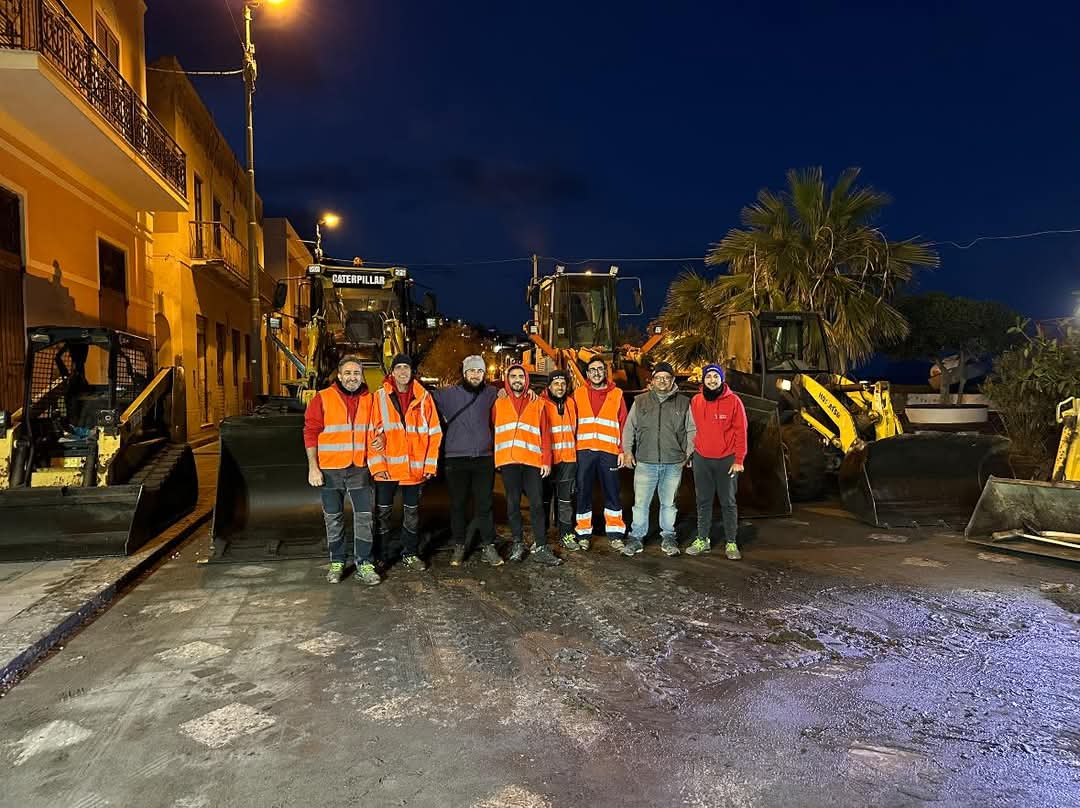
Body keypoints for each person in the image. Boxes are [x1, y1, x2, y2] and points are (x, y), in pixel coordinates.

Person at [304, 355, 381, 585]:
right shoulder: (323, 398)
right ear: (339, 375)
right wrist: (313, 467)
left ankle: (364, 563)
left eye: (356, 373)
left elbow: (379, 427)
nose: (352, 377)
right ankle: (337, 561)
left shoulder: (371, 399)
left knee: (364, 518)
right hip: (330, 470)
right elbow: (310, 432)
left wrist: (381, 439)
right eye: (347, 373)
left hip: (359, 468)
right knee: (333, 518)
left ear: (362, 376)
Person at [368, 354, 442, 572]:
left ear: (412, 372)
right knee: (383, 513)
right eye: (398, 367)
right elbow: (372, 433)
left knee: (411, 514)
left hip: (414, 469)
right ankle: (382, 555)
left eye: (406, 368)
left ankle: (410, 553)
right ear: (392, 372)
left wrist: (429, 466)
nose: (402, 372)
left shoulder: (424, 398)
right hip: (388, 469)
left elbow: (434, 433)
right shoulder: (379, 397)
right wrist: (378, 467)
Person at [434, 355, 503, 567]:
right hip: (456, 459)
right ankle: (459, 545)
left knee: (484, 504)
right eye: (471, 371)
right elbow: (422, 399)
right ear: (464, 373)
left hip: (483, 458)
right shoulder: (448, 395)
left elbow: (513, 389)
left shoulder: (491, 393)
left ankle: (488, 546)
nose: (475, 375)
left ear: (484, 374)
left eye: (479, 371)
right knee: (458, 505)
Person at [621, 362, 695, 557]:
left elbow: (691, 430)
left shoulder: (684, 402)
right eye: (658, 377)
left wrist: (687, 455)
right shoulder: (641, 401)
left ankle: (669, 536)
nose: (662, 381)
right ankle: (636, 537)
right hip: (646, 462)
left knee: (669, 504)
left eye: (667, 378)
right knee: (640, 503)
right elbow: (629, 428)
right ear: (652, 381)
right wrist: (628, 451)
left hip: (673, 463)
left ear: (672, 381)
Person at [494, 365, 561, 565]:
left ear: (526, 380)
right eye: (513, 376)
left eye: (520, 376)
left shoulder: (538, 403)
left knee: (537, 504)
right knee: (513, 504)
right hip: (509, 461)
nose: (517, 380)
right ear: (507, 379)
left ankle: (540, 545)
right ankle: (517, 543)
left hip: (532, 461)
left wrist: (546, 460)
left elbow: (546, 434)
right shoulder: (499, 402)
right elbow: (493, 430)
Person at [687, 363, 747, 559]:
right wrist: (690, 454)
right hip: (702, 459)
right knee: (703, 501)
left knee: (728, 502)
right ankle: (702, 539)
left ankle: (731, 542)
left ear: (722, 379)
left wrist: (739, 459)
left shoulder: (734, 401)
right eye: (708, 377)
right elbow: (691, 429)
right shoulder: (696, 401)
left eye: (715, 376)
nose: (712, 380)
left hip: (726, 460)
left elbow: (741, 432)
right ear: (703, 380)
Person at [573, 357, 628, 550]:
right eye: (592, 370)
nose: (596, 373)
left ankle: (615, 533)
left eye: (599, 369)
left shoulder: (618, 394)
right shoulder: (578, 394)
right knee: (583, 492)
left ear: (605, 372)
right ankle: (583, 533)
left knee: (612, 493)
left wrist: (623, 450)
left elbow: (624, 424)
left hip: (609, 451)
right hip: (584, 451)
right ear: (587, 374)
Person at [541, 370, 579, 551]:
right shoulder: (540, 403)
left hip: (568, 461)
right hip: (547, 462)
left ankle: (566, 535)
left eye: (563, 384)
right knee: (544, 501)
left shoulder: (572, 403)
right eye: (556, 384)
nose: (560, 387)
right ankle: (542, 537)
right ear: (549, 386)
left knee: (565, 502)